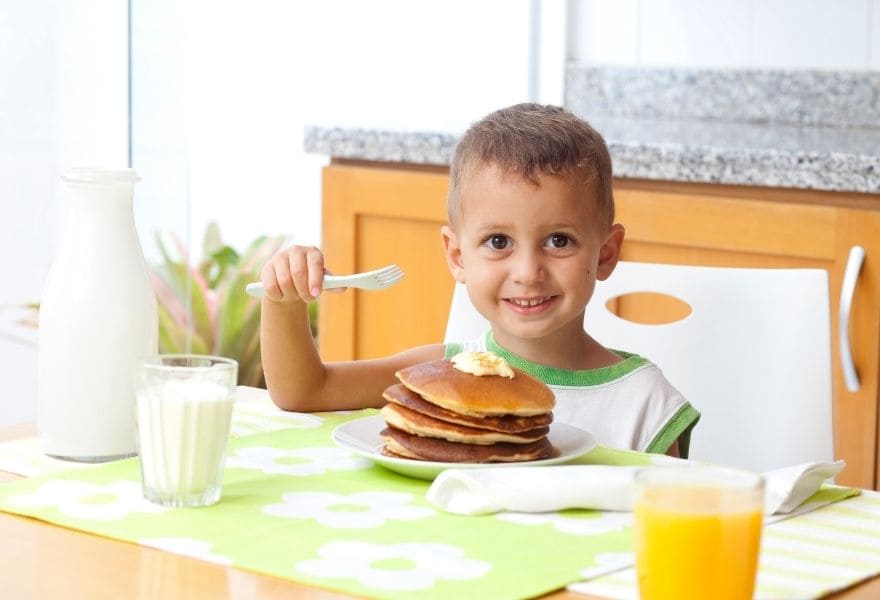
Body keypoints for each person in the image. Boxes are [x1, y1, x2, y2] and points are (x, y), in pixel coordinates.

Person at [258, 103, 700, 458]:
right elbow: (305, 391)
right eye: (498, 241)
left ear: (605, 254)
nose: (527, 272)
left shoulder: (644, 403)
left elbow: (669, 517)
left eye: (559, 240)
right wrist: (283, 302)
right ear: (457, 257)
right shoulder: (442, 375)